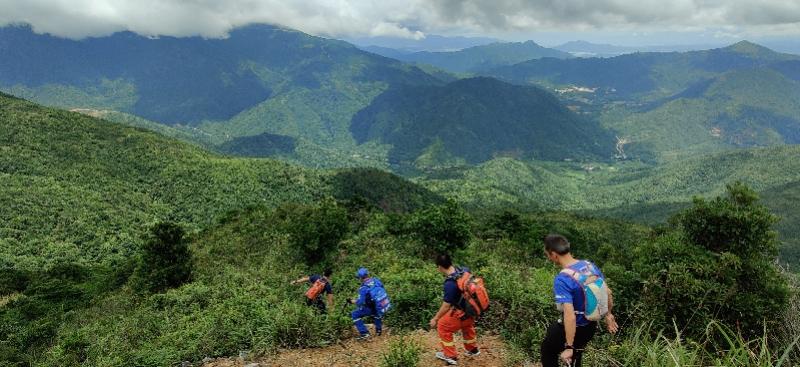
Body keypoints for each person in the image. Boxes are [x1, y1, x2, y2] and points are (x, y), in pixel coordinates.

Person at [540, 234, 619, 367]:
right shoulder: (589, 266)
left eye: (547, 254)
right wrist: (609, 314)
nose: (548, 257)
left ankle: (572, 349)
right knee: (576, 356)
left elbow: (570, 316)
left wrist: (569, 346)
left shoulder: (563, 278)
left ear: (553, 254)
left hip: (574, 328)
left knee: (547, 350)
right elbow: (608, 292)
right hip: (590, 327)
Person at [430, 254, 480, 366]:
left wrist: (435, 318)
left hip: (461, 314)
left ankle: (450, 356)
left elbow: (446, 306)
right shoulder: (464, 270)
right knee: (467, 326)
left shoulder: (450, 283)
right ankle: (472, 350)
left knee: (442, 326)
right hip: (472, 312)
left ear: (439, 267)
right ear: (451, 262)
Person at [347, 267, 391, 340]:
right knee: (376, 312)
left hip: (370, 307)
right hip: (379, 304)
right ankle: (378, 331)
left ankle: (364, 334)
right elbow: (382, 288)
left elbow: (360, 302)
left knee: (354, 314)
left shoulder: (363, 288)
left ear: (360, 278)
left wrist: (352, 301)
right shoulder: (376, 280)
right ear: (367, 274)